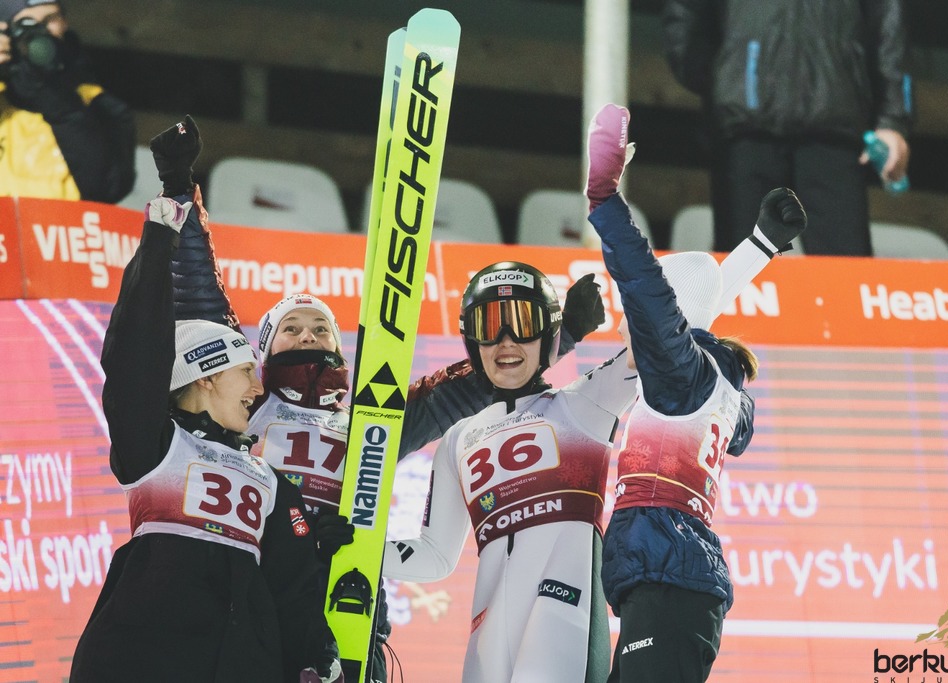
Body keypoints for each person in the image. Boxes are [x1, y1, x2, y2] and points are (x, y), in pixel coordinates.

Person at [151, 114, 609, 683]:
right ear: (261, 353)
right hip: (255, 595)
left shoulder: (370, 418)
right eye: (291, 328)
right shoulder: (245, 400)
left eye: (321, 329)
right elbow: (200, 295)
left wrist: (564, 334)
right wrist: (177, 184)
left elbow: (477, 382)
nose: (309, 336)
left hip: (349, 610)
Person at [68, 194, 342, 682]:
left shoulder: (274, 482)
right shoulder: (156, 447)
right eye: (245, 374)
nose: (258, 389)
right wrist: (158, 240)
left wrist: (314, 660)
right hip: (141, 659)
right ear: (207, 376)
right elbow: (135, 355)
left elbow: (294, 587)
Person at [584, 103, 807, 682]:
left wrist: (605, 201)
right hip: (678, 582)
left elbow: (646, 286)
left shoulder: (682, 375)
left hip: (670, 580)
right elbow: (699, 305)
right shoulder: (714, 381)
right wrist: (761, 246)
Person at [381, 259, 638, 683]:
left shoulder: (585, 403)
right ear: (471, 341)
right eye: (488, 325)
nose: (505, 341)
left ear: (550, 333)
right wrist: (353, 550)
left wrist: (758, 247)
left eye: (522, 322)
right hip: (487, 638)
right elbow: (434, 556)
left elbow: (668, 343)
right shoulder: (458, 440)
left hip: (562, 616)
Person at [663, 0, 911, 256]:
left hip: (833, 123)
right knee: (744, 277)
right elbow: (685, 12)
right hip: (746, 125)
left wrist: (893, 119)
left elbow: (887, 20)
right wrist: (722, 78)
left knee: (844, 276)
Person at [0, 0, 135, 202]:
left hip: (70, 230)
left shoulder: (99, 103)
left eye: (50, 19)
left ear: (65, 22)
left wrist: (61, 104)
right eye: (25, 25)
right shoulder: (4, 104)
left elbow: (107, 189)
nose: (41, 32)